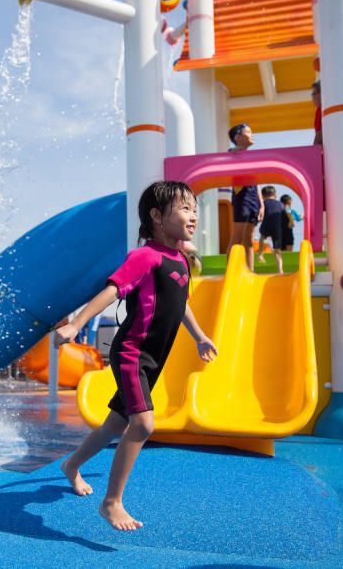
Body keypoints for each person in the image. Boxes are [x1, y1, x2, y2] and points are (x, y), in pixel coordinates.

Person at [54, 181, 217, 531]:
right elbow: (112, 289)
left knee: (116, 423)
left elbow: (181, 304)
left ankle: (71, 465)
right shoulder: (145, 256)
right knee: (142, 424)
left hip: (154, 358)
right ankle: (111, 502)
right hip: (132, 352)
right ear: (157, 217)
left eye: (194, 209)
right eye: (185, 208)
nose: (193, 215)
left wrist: (200, 336)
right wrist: (76, 324)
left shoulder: (181, 261)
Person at [227, 123, 263, 271]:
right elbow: (229, 156)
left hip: (254, 198)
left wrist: (262, 204)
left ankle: (250, 271)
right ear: (238, 137)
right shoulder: (233, 152)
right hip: (242, 196)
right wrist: (233, 151)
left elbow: (256, 182)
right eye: (248, 132)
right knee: (237, 238)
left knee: (249, 240)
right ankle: (230, 270)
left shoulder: (250, 156)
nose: (252, 134)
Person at [256, 186, 285, 274]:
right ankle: (280, 270)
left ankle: (260, 254)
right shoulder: (280, 204)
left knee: (262, 238)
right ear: (275, 195)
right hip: (277, 228)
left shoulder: (262, 204)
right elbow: (284, 217)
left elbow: (259, 215)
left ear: (262, 196)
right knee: (277, 251)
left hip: (266, 225)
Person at [311, 80, 323, 146]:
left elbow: (319, 133)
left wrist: (313, 152)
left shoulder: (321, 109)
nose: (312, 98)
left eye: (313, 94)